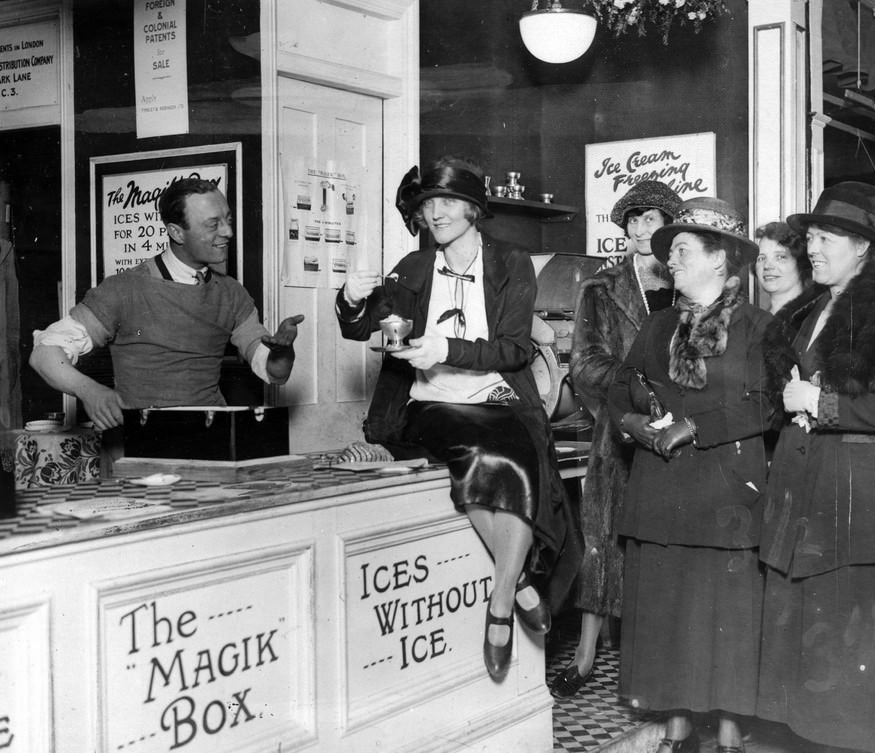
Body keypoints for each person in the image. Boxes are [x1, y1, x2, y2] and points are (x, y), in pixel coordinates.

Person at [336, 156, 581, 682]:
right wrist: (351, 301)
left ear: (472, 208)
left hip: (498, 395)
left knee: (515, 458)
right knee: (477, 455)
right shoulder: (414, 267)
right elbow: (363, 330)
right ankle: (515, 588)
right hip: (429, 402)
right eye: (427, 205)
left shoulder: (511, 262)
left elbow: (514, 349)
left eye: (447, 202)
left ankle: (499, 601)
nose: (436, 213)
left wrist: (447, 345)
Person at [757, 182, 875, 753]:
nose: (812, 247)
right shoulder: (814, 307)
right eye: (810, 237)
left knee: (854, 673)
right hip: (815, 503)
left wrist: (818, 404)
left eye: (825, 237)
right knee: (818, 664)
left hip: (862, 516)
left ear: (861, 247)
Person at [607, 197, 775, 753]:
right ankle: (678, 731)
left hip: (727, 492)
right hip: (660, 489)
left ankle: (728, 735)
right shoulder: (657, 328)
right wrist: (632, 420)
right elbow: (618, 387)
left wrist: (694, 429)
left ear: (720, 259)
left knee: (725, 613)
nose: (670, 262)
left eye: (681, 250)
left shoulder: (758, 328)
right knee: (667, 607)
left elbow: (768, 407)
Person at [30, 178, 304, 430]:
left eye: (228, 220)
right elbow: (44, 354)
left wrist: (283, 351)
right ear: (176, 232)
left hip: (210, 441)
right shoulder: (124, 288)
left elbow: (273, 371)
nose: (228, 232)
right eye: (213, 224)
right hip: (140, 445)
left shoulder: (232, 293)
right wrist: (90, 391)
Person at [551, 180, 680, 698]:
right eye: (633, 220)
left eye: (651, 219)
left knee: (667, 549)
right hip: (621, 436)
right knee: (604, 544)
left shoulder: (689, 282)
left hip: (684, 437)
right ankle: (585, 658)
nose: (641, 229)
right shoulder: (600, 288)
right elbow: (585, 366)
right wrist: (645, 393)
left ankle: (660, 664)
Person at [753, 220, 810, 314]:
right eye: (761, 258)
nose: (767, 266)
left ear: (800, 262)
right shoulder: (759, 323)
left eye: (780, 257)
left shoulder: (813, 319)